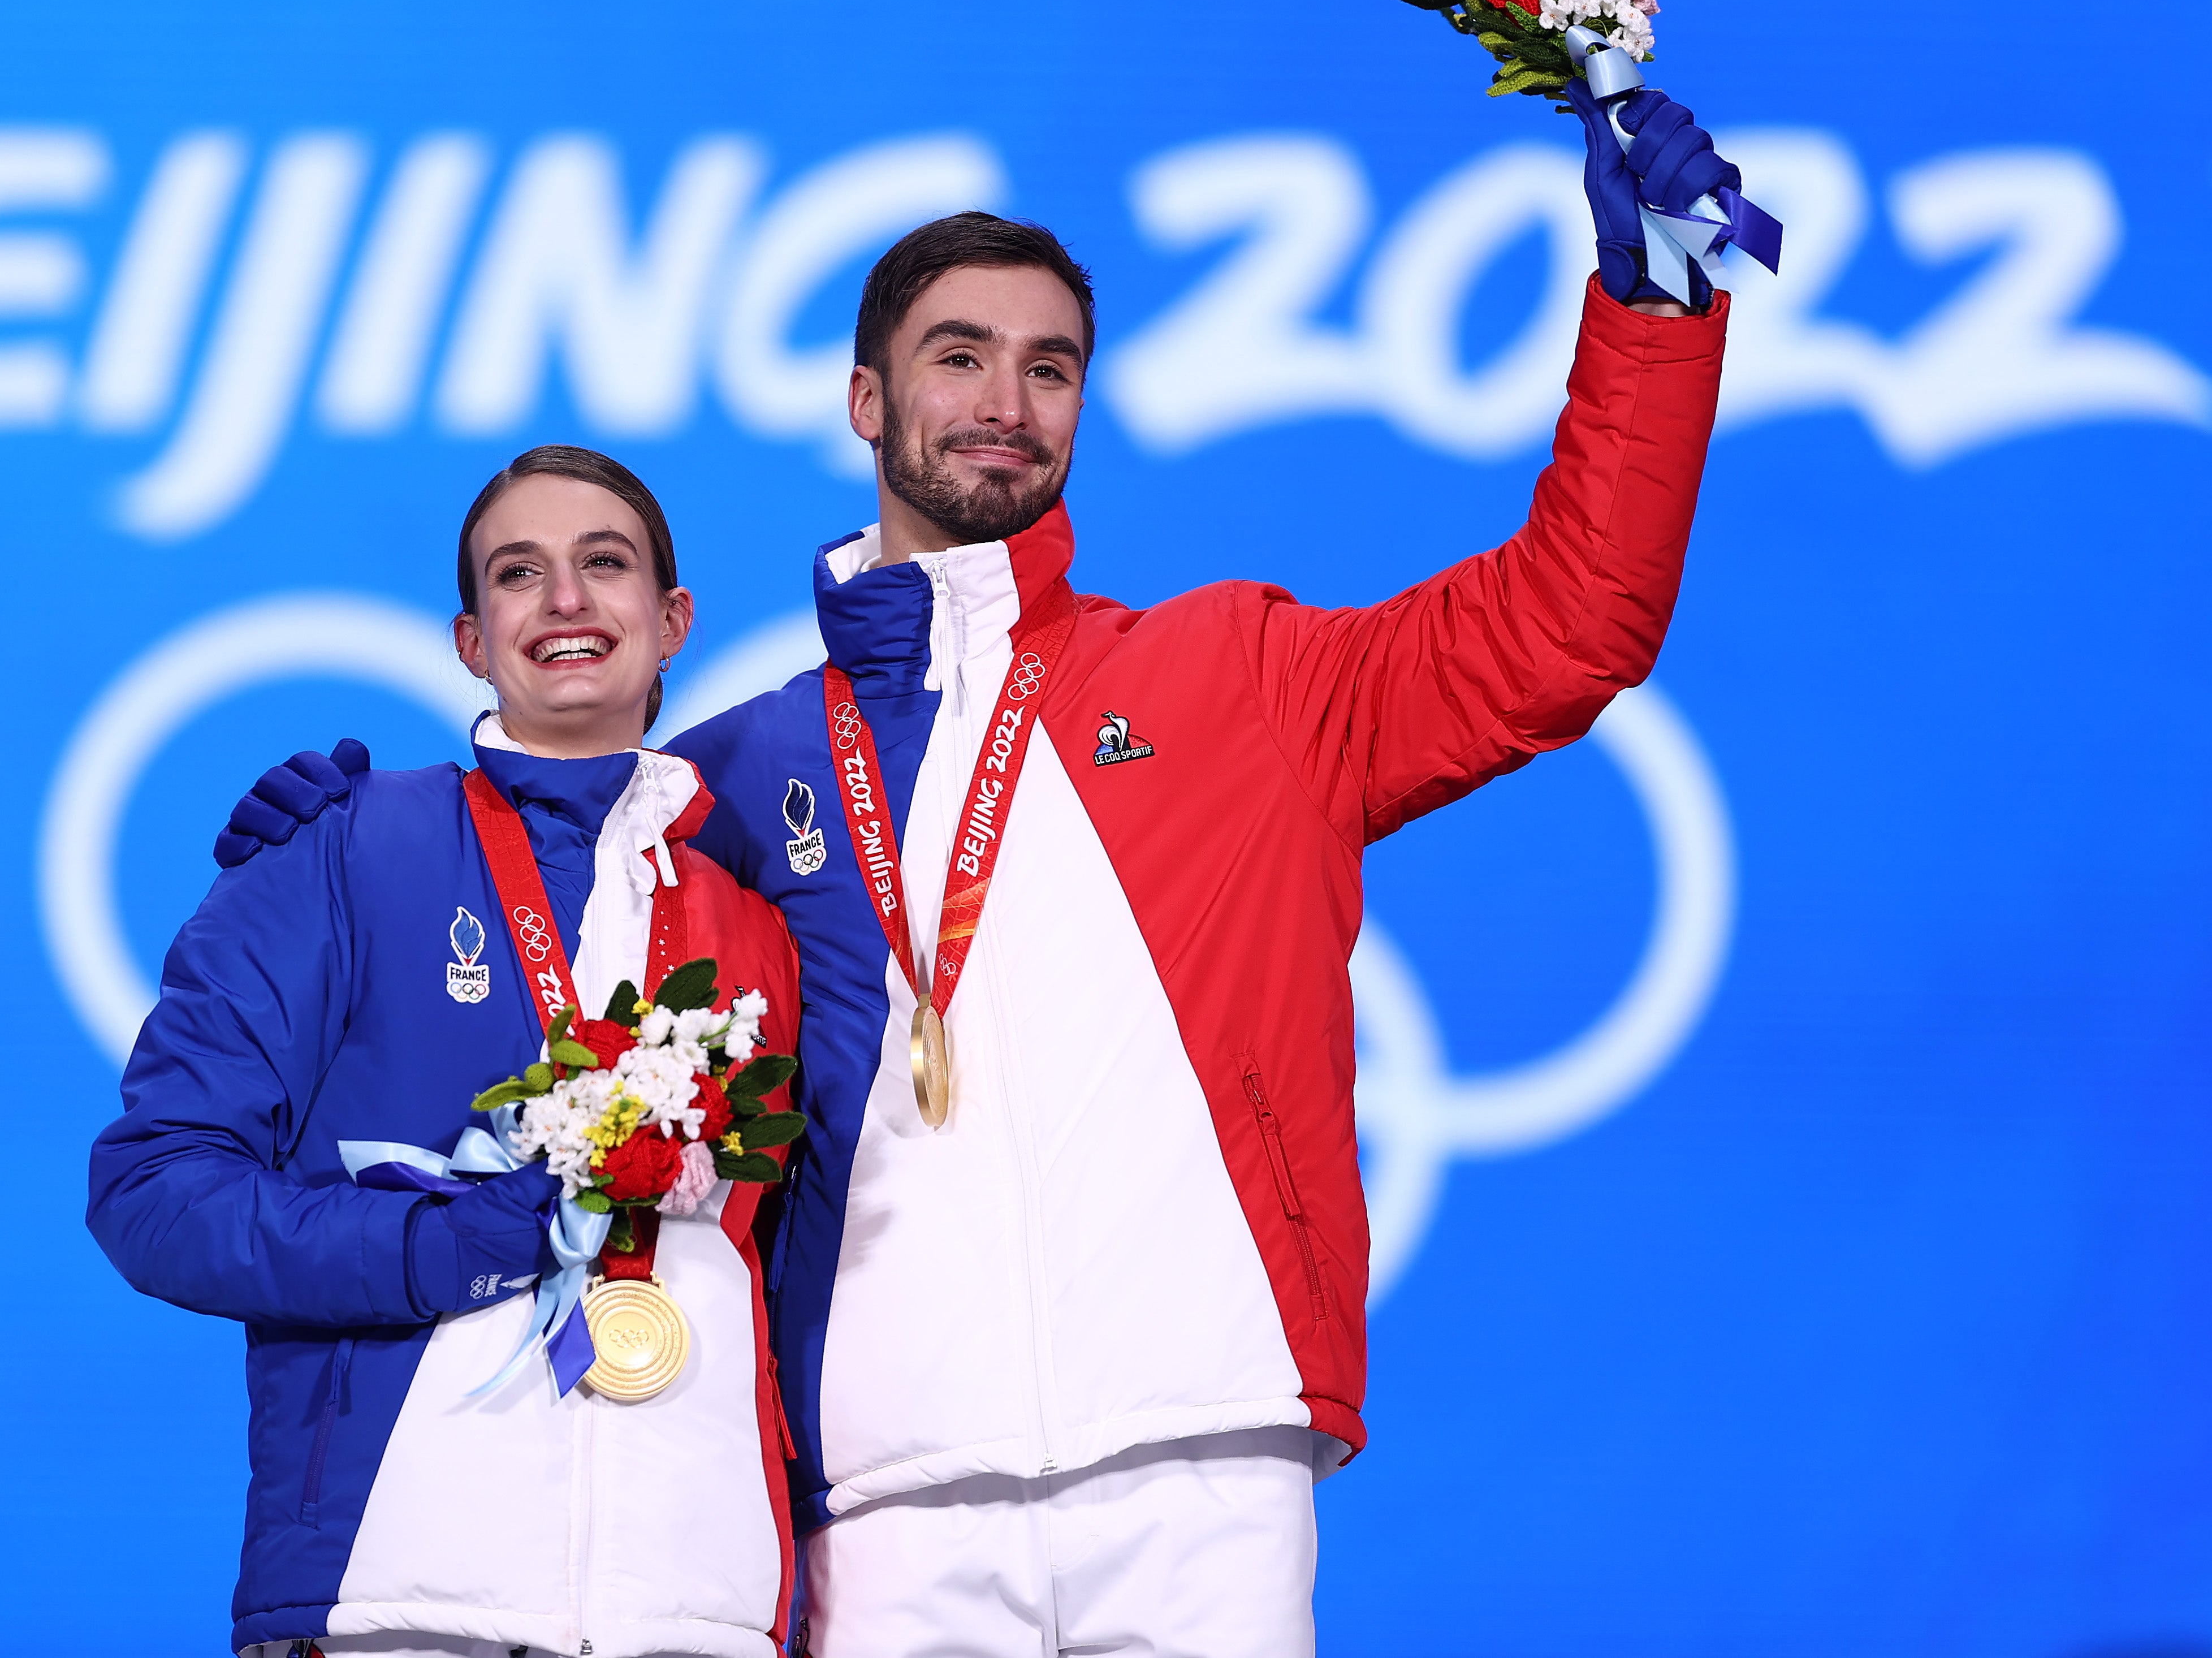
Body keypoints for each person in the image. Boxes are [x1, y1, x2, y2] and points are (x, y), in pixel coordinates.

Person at [220, 83, 1743, 1656]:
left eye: (1051, 365)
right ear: (868, 400)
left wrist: (1655, 309)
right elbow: (531, 929)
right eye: (960, 357)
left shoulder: (1244, 678)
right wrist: (343, 842)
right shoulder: (742, 771)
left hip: (1203, 1454)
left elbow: (1569, 626)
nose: (1006, 396)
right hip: (882, 1500)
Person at [91, 446, 803, 1658]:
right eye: (521, 573)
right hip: (395, 1592)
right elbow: (153, 1191)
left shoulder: (763, 919)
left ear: (674, 619)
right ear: (472, 639)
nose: (567, 599)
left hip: (702, 1603)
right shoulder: (344, 850)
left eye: (606, 564)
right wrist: (437, 1248)